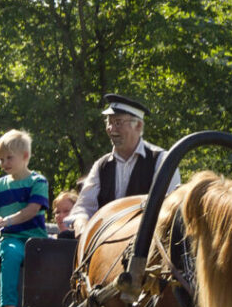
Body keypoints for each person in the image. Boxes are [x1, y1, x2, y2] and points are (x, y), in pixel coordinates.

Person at [66, 93, 180, 237]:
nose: (111, 129)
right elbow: (84, 208)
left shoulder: (162, 161)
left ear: (138, 126)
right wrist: (81, 224)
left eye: (118, 122)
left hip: (146, 249)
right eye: (109, 122)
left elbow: (170, 209)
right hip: (104, 248)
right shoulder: (101, 166)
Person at [0, 129, 50, 307]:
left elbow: (32, 210)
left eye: (9, 158)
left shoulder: (38, 181)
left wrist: (7, 220)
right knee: (11, 254)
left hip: (36, 239)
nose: (4, 163)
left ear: (25, 156)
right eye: (1, 159)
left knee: (57, 259)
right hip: (11, 237)